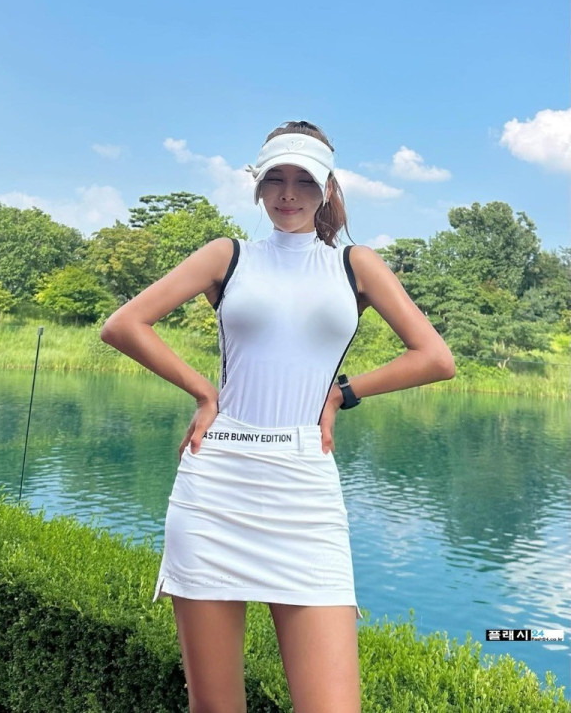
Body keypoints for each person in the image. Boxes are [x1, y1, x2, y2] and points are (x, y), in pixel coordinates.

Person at [100, 120, 456, 713]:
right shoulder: (229, 255)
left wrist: (342, 393)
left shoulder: (355, 265)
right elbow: (123, 325)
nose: (288, 194)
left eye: (304, 181)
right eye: (275, 179)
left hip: (304, 484)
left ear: (327, 189)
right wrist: (204, 392)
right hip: (217, 483)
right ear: (258, 185)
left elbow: (436, 359)